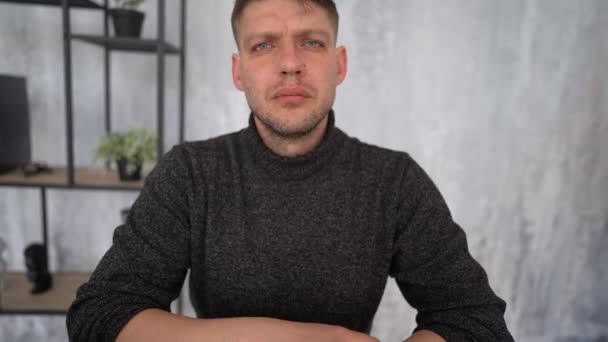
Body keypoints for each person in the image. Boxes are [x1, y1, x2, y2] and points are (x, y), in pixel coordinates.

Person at [66, 0, 514, 341]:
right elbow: (101, 314)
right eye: (264, 45)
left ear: (339, 65)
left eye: (311, 42)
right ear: (239, 72)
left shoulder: (394, 181)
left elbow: (475, 320)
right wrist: (309, 337)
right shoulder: (190, 173)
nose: (290, 63)